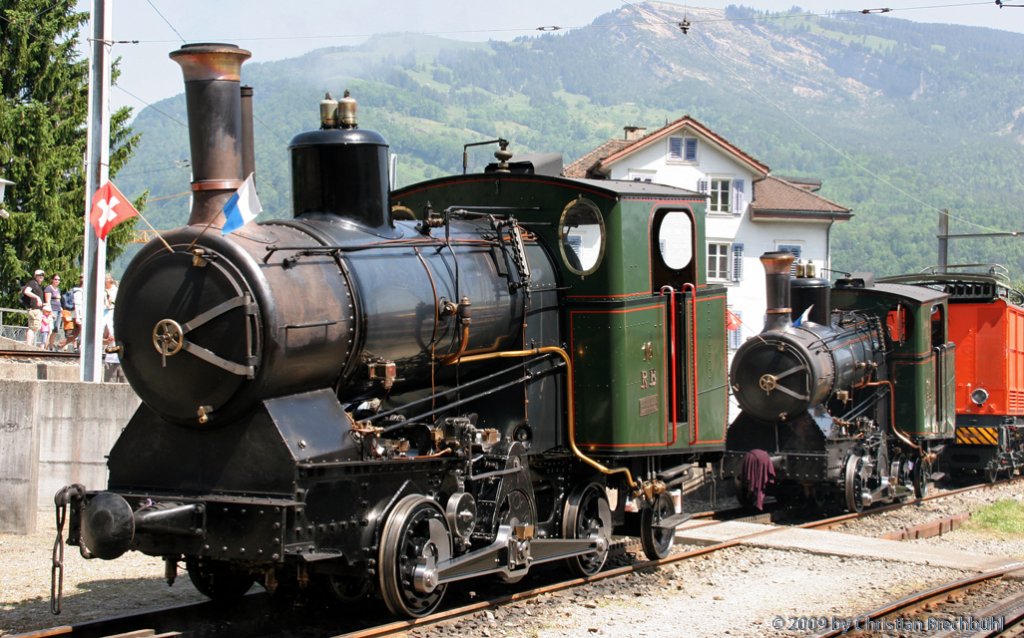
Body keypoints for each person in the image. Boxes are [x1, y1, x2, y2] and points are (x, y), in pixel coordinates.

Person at [57, 274, 83, 351]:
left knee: (75, 333)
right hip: (79, 314)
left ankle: (60, 345)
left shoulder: (77, 290)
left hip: (76, 314)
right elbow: (78, 304)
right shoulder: (79, 292)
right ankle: (82, 349)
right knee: (85, 331)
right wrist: (78, 317)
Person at [21, 269, 45, 346]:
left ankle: (29, 345)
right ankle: (28, 346)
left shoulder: (38, 285)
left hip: (37, 309)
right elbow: (27, 291)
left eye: (42, 275)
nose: (41, 277)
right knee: (32, 328)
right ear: (35, 276)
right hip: (34, 309)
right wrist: (37, 298)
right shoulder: (33, 283)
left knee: (33, 328)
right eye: (39, 275)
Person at [44, 274, 62, 349]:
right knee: (50, 329)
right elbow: (48, 301)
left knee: (56, 329)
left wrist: (61, 308)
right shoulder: (49, 288)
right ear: (52, 279)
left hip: (58, 310)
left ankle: (51, 346)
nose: (57, 281)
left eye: (58, 279)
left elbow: (59, 300)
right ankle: (45, 346)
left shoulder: (58, 289)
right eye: (55, 279)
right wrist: (50, 312)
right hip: (52, 310)